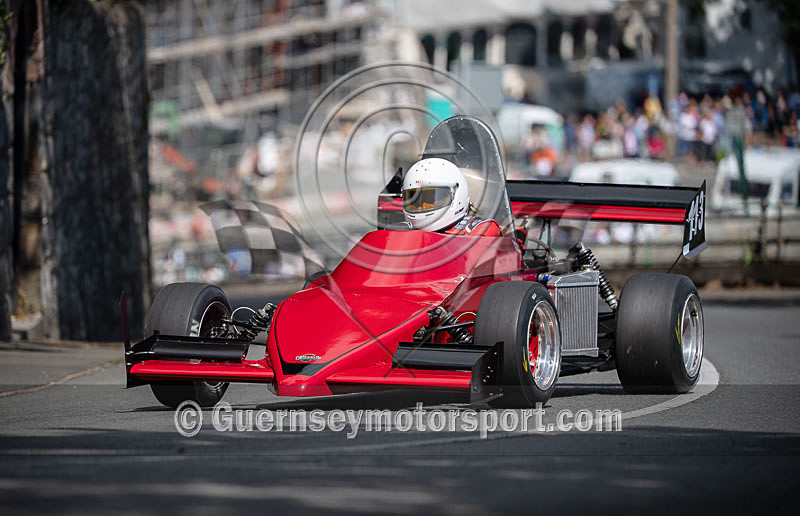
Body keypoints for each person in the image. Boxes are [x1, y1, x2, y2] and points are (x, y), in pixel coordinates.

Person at [401, 158, 501, 237]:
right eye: (416, 202)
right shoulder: (402, 233)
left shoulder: (481, 230)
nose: (423, 206)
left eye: (431, 200)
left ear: (456, 194)